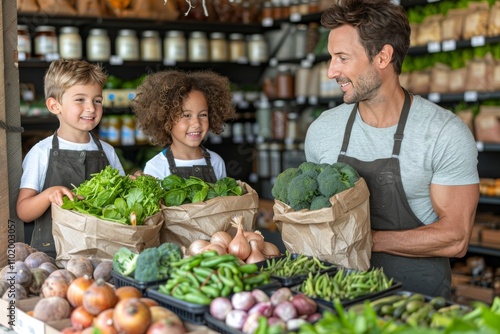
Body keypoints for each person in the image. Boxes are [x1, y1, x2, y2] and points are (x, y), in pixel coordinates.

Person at [304, 0, 479, 299]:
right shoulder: (323, 131)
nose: (332, 71)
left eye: (342, 58)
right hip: (336, 297)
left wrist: (363, 239)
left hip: (417, 303)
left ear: (383, 56)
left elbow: (455, 238)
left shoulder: (443, 133)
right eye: (332, 58)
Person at [17, 59, 125, 258]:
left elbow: (123, 201)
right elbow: (23, 210)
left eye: (97, 100)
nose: (91, 108)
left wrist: (132, 185)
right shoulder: (41, 152)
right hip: (52, 256)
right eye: (80, 100)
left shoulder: (108, 152)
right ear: (54, 105)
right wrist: (49, 194)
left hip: (102, 253)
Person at [131, 69, 235, 182]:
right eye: (186, 115)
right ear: (166, 119)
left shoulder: (216, 162)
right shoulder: (156, 167)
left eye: (203, 115)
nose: (196, 123)